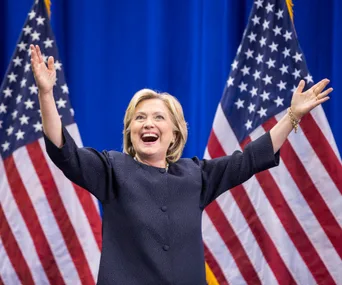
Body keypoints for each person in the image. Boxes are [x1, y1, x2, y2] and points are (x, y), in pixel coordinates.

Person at [30, 44, 332, 285]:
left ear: (175, 132)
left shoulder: (196, 175)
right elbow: (63, 150)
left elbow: (250, 159)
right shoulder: (112, 170)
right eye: (140, 118)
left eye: (158, 117)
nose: (148, 123)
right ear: (130, 132)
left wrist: (291, 116)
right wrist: (46, 93)